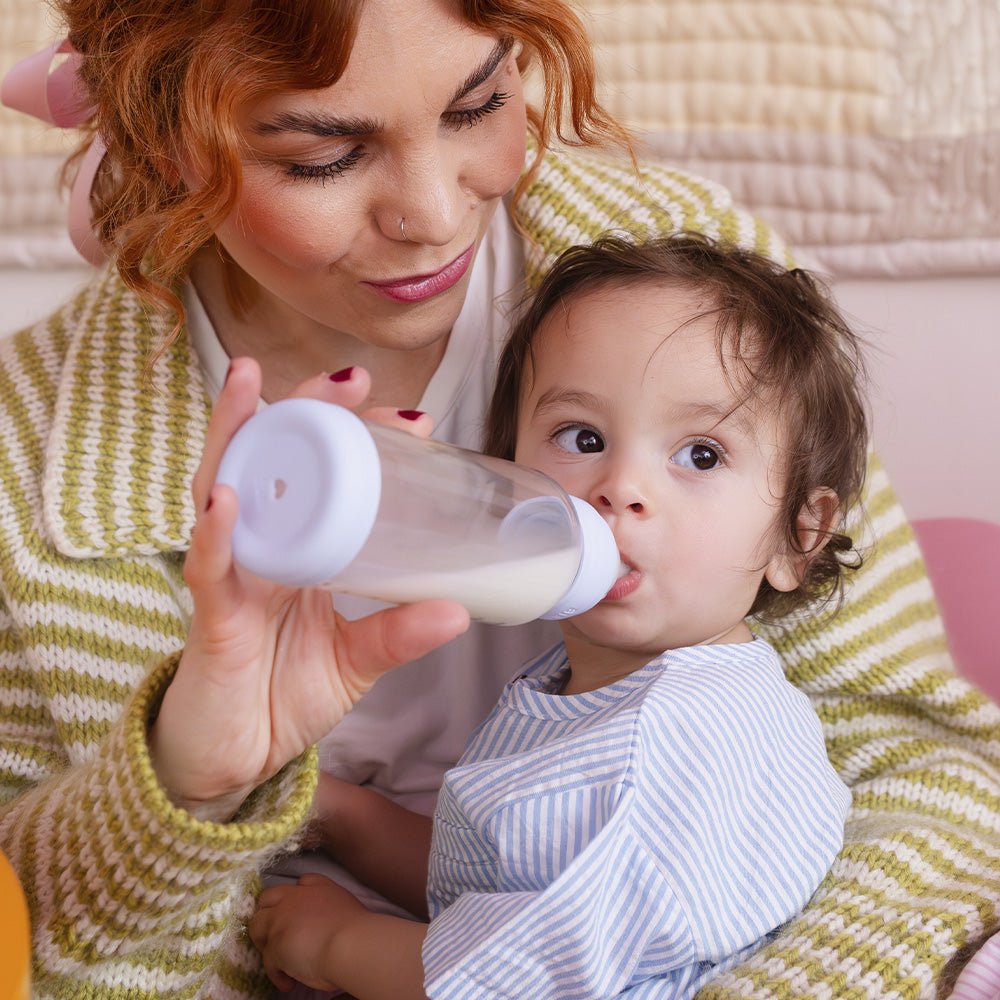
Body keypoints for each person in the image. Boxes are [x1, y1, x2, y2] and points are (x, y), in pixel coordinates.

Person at [0, 1, 996, 998]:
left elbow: (920, 773)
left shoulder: (689, 298)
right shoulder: (28, 453)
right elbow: (39, 935)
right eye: (323, 156)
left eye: (478, 104)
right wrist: (184, 786)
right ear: (165, 144)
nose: (433, 214)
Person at [247, 233, 867, 999]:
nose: (620, 487)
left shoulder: (679, 745)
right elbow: (501, 894)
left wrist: (339, 942)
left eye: (701, 455)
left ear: (798, 537)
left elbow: (521, 983)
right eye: (583, 438)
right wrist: (351, 818)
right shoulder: (597, 693)